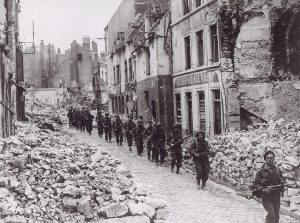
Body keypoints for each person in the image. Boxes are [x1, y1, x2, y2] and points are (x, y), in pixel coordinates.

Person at [252, 151, 284, 223]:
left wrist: (282, 184)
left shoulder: (277, 169)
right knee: (272, 214)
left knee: (276, 215)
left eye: (271, 158)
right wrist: (263, 189)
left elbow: (281, 180)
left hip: (276, 196)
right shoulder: (261, 171)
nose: (269, 159)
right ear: (265, 159)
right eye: (268, 158)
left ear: (274, 159)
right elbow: (255, 184)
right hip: (266, 196)